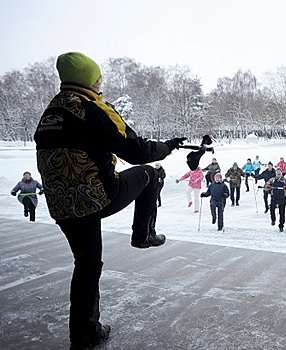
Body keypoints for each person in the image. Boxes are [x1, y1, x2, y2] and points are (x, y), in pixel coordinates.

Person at [33, 52, 186, 349]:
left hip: (63, 205)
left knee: (87, 264)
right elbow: (137, 150)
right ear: (92, 80)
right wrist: (166, 147)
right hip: (98, 197)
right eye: (98, 77)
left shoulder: (51, 113)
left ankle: (84, 334)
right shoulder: (92, 109)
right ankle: (144, 235)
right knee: (151, 174)